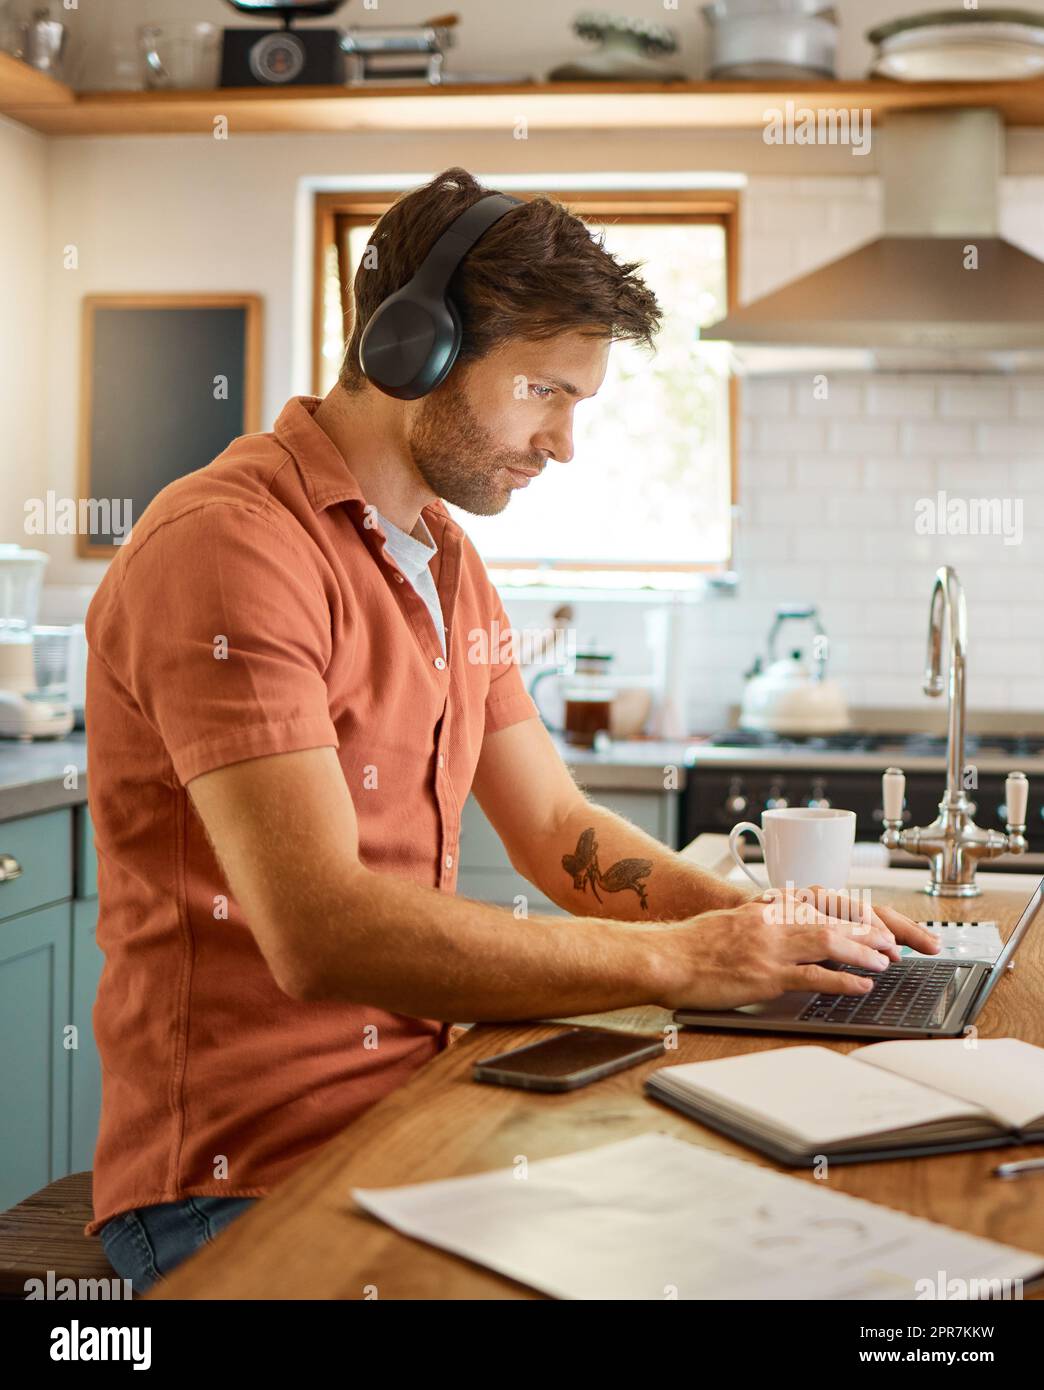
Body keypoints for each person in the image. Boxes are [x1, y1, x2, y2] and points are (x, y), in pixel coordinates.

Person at [85, 167, 938, 1293]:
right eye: (544, 390)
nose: (564, 443)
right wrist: (686, 959)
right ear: (413, 351)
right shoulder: (230, 547)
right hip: (237, 1181)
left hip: (425, 1103)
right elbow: (319, 930)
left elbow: (556, 829)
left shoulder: (445, 558)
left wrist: (764, 923)